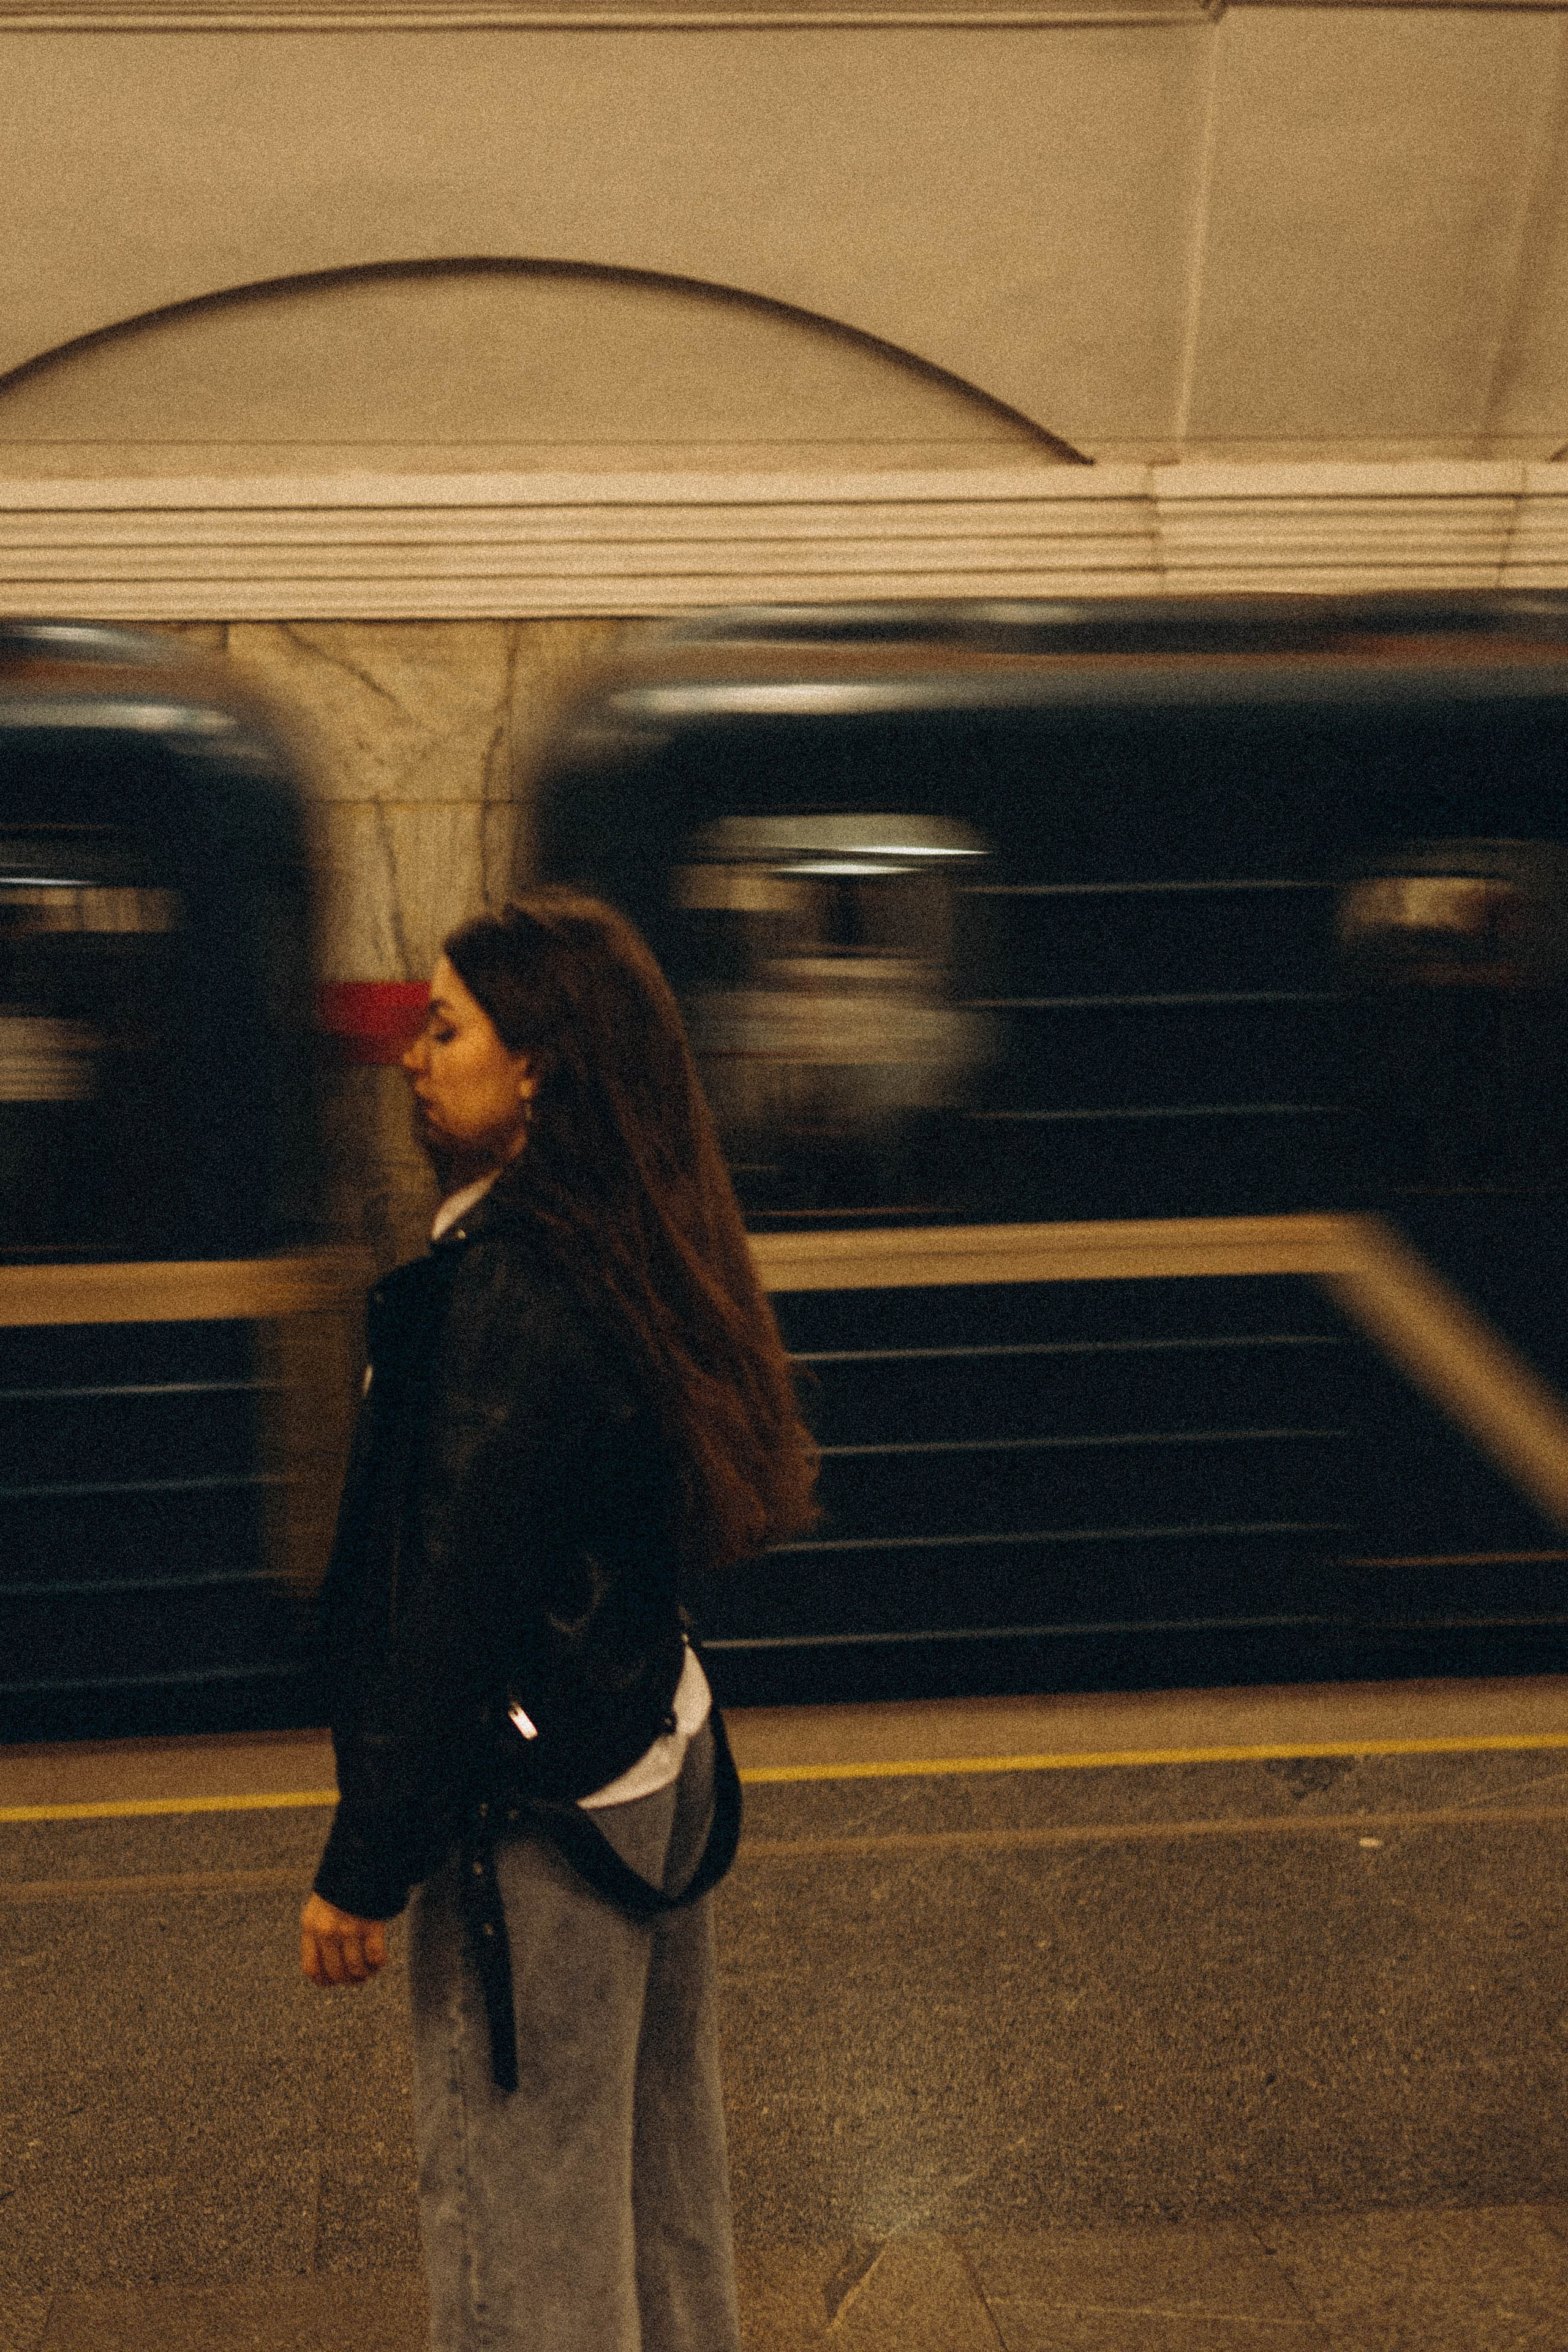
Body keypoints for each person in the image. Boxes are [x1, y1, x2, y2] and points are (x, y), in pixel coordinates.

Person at [298, 888, 818, 2352]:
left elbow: (452, 1600)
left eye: (447, 1025)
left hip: (543, 1815)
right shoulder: (630, 1238)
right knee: (660, 2193)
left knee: (520, 2234)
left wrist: (363, 1863)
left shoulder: (509, 1293)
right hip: (654, 1749)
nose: (412, 1051)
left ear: (537, 1067)